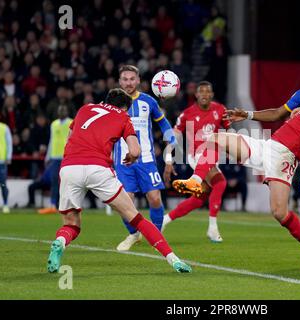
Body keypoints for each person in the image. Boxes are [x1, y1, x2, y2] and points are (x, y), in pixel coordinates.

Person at [173, 66, 300, 270]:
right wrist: (246, 114)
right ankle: (195, 181)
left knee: (279, 213)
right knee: (215, 139)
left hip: (284, 158)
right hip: (268, 146)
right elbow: (277, 113)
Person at [46, 88, 191, 274]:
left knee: (71, 225)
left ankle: (60, 242)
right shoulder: (123, 118)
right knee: (136, 217)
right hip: (98, 168)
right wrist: (131, 157)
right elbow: (135, 150)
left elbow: (69, 139)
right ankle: (174, 259)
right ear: (125, 107)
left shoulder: (85, 108)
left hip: (69, 168)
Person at [113, 65, 177, 251]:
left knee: (155, 198)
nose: (128, 83)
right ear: (119, 81)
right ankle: (134, 234)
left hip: (146, 160)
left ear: (138, 80)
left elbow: (164, 125)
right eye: (125, 79)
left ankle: (155, 235)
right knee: (124, 203)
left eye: (132, 79)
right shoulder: (112, 104)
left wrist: (171, 142)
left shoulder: (148, 102)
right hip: (122, 162)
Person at [162, 81, 231, 242]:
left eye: (208, 91)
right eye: (202, 91)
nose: (205, 94)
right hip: (197, 156)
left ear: (212, 95)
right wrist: (168, 159)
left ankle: (165, 220)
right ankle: (212, 229)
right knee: (220, 183)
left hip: (212, 156)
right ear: (196, 95)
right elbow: (173, 136)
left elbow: (229, 130)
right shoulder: (187, 114)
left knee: (199, 197)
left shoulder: (220, 110)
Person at [38, 105, 73, 214]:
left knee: (68, 181)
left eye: (63, 110)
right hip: (54, 156)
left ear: (67, 111)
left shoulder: (71, 122)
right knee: (54, 181)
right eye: (60, 110)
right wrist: (48, 156)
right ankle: (53, 205)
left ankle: (69, 205)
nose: (62, 111)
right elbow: (51, 140)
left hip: (67, 156)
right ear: (57, 112)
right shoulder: (54, 124)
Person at [0, 109, 12, 213]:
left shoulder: (4, 128)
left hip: (0, 161)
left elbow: (9, 143)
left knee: (2, 184)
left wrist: (8, 157)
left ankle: (5, 204)